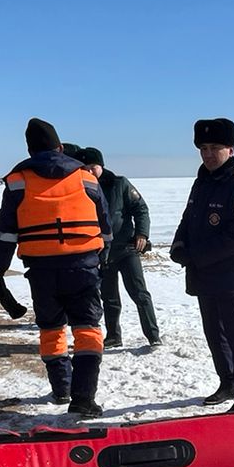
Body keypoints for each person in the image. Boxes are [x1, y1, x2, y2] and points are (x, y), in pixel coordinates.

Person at [0, 118, 112, 416]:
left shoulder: (18, 180)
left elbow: (6, 233)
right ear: (60, 147)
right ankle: (83, 397)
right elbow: (105, 227)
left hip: (41, 271)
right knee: (87, 329)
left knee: (51, 329)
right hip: (82, 266)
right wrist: (100, 259)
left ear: (29, 150)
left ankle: (61, 388)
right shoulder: (86, 177)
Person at [171, 118, 234, 413]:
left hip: (229, 277)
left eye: (215, 147)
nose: (208, 154)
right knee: (213, 333)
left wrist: (195, 256)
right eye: (203, 148)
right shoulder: (202, 183)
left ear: (230, 149)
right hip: (203, 275)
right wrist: (179, 245)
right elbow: (189, 218)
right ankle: (227, 382)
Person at [75, 146, 161, 349]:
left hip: (126, 248)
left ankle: (153, 335)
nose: (89, 172)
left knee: (139, 293)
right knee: (109, 297)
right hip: (101, 252)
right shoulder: (81, 189)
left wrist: (142, 233)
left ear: (101, 166)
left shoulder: (119, 184)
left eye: (93, 167)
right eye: (84, 168)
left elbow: (141, 209)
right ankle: (113, 335)